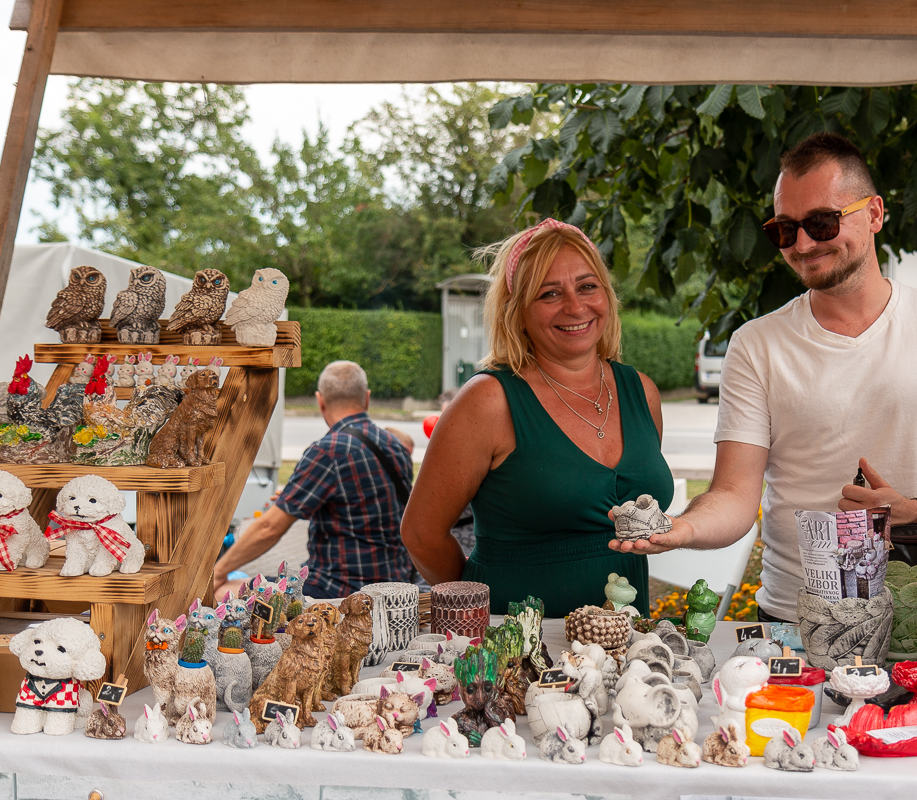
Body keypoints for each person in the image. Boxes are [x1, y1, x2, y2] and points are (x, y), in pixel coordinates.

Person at [612, 132, 917, 622]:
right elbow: (735, 495)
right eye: (784, 230)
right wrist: (683, 529)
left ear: (874, 213)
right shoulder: (757, 345)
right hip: (799, 622)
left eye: (822, 222)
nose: (803, 244)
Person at [401, 218, 673, 615]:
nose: (575, 307)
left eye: (587, 286)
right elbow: (421, 534)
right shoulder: (488, 400)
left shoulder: (641, 392)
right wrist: (477, 609)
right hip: (517, 639)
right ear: (517, 312)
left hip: (625, 636)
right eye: (549, 293)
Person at [212, 360, 414, 599]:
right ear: (367, 398)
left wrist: (218, 572)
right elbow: (371, 511)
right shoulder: (395, 446)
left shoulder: (328, 451)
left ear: (320, 401)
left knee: (223, 590)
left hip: (338, 590)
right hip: (396, 587)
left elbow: (269, 528)